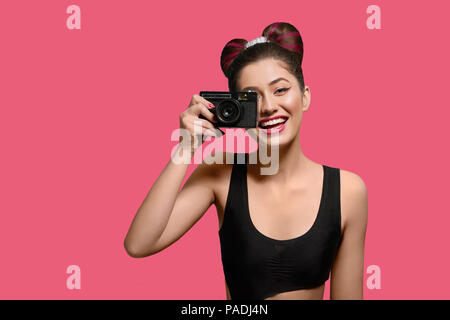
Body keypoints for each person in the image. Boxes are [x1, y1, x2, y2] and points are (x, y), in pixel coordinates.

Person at [124, 22, 368, 300]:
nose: (268, 107)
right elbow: (139, 244)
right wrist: (186, 148)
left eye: (280, 90)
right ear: (238, 109)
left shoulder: (348, 191)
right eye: (252, 98)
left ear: (305, 97)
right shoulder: (220, 172)